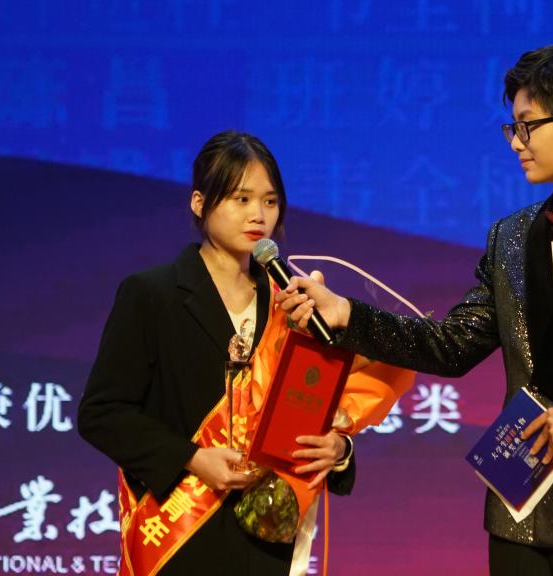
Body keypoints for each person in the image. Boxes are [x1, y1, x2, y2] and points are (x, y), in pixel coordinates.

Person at [277, 45, 553, 575]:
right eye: (512, 128)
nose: (516, 142)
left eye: (527, 126)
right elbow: (451, 345)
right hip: (522, 518)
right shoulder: (511, 237)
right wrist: (346, 315)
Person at [78, 131, 408, 576]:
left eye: (270, 202)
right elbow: (102, 413)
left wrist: (339, 448)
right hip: (183, 532)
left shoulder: (293, 302)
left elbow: (312, 406)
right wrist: (192, 458)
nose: (258, 215)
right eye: (241, 199)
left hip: (266, 534)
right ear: (199, 203)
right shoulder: (151, 295)